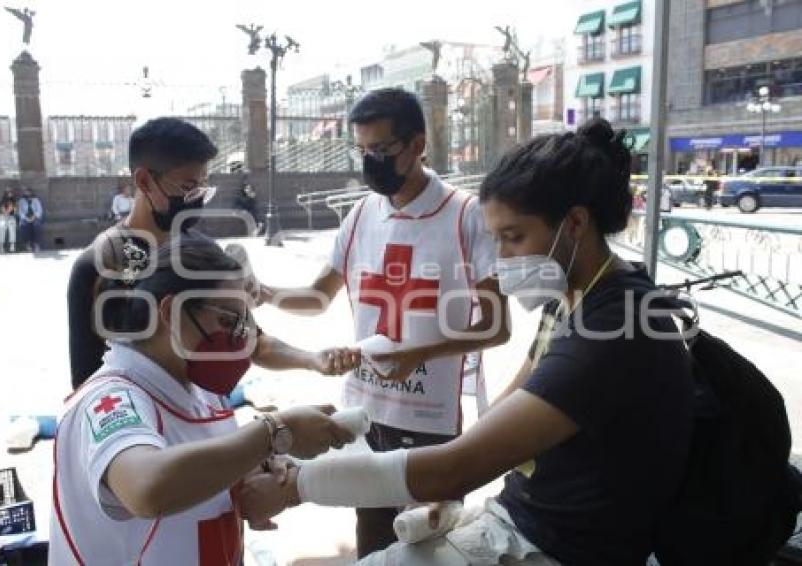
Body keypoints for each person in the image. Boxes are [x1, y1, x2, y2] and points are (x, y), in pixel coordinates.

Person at [246, 119, 695, 565]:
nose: (501, 260)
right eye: (496, 239)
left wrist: (295, 486)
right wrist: (452, 487)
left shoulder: (617, 326)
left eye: (514, 237)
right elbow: (510, 404)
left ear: (575, 222)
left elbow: (457, 463)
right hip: (526, 519)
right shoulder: (575, 296)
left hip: (560, 547)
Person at [258, 87, 509, 558]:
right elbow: (317, 296)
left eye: (383, 150)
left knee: (428, 545)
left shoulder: (464, 215)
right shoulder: (359, 215)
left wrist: (419, 353)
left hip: (431, 420)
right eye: (363, 151)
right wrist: (265, 293)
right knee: (372, 543)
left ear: (417, 145)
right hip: (365, 414)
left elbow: (497, 327)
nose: (371, 161)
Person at [49, 235, 357, 565]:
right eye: (227, 321)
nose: (239, 337)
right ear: (170, 312)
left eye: (242, 323)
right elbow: (147, 488)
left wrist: (253, 473)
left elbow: (202, 465)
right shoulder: (110, 400)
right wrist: (276, 432)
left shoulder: (203, 391)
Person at [68, 117, 359, 392]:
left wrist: (312, 360)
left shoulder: (201, 254)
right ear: (144, 181)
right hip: (139, 430)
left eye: (202, 188)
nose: (195, 200)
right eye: (187, 188)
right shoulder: (101, 266)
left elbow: (254, 342)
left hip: (201, 417)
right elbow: (87, 385)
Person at [231, 161, 262, 234]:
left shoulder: (249, 187)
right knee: (248, 213)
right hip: (239, 207)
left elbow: (253, 202)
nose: (247, 180)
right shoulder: (240, 188)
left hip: (247, 206)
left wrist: (252, 197)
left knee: (254, 210)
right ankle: (255, 228)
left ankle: (258, 226)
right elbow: (240, 200)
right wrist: (249, 197)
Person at [17, 187, 44, 252]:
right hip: (25, 217)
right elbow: (20, 211)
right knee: (24, 225)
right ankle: (27, 245)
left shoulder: (36, 200)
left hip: (35, 217)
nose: (27, 193)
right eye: (26, 192)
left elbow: (39, 210)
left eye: (28, 192)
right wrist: (26, 218)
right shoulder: (21, 201)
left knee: (37, 225)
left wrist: (34, 217)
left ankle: (36, 244)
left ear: (31, 192)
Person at [0, 188, 17, 253]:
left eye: (11, 192)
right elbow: (2, 208)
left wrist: (11, 209)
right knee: (2, 231)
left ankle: (12, 246)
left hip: (11, 217)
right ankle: (1, 247)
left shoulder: (14, 200)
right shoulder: (2, 201)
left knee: (12, 231)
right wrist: (6, 213)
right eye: (9, 192)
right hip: (3, 217)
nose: (10, 193)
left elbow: (14, 210)